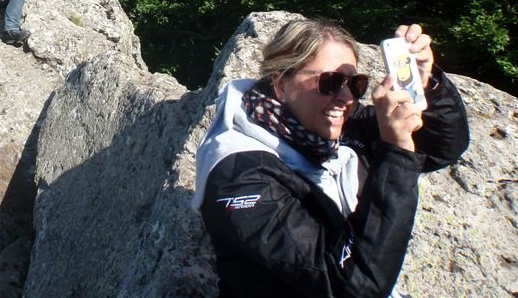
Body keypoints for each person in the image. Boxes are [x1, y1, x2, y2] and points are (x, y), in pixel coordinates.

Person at [192, 18, 469, 298]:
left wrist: (427, 83)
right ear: (281, 84)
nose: (346, 97)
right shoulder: (238, 173)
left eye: (356, 84)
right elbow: (349, 287)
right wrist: (395, 151)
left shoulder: (333, 126)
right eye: (330, 82)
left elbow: (441, 147)